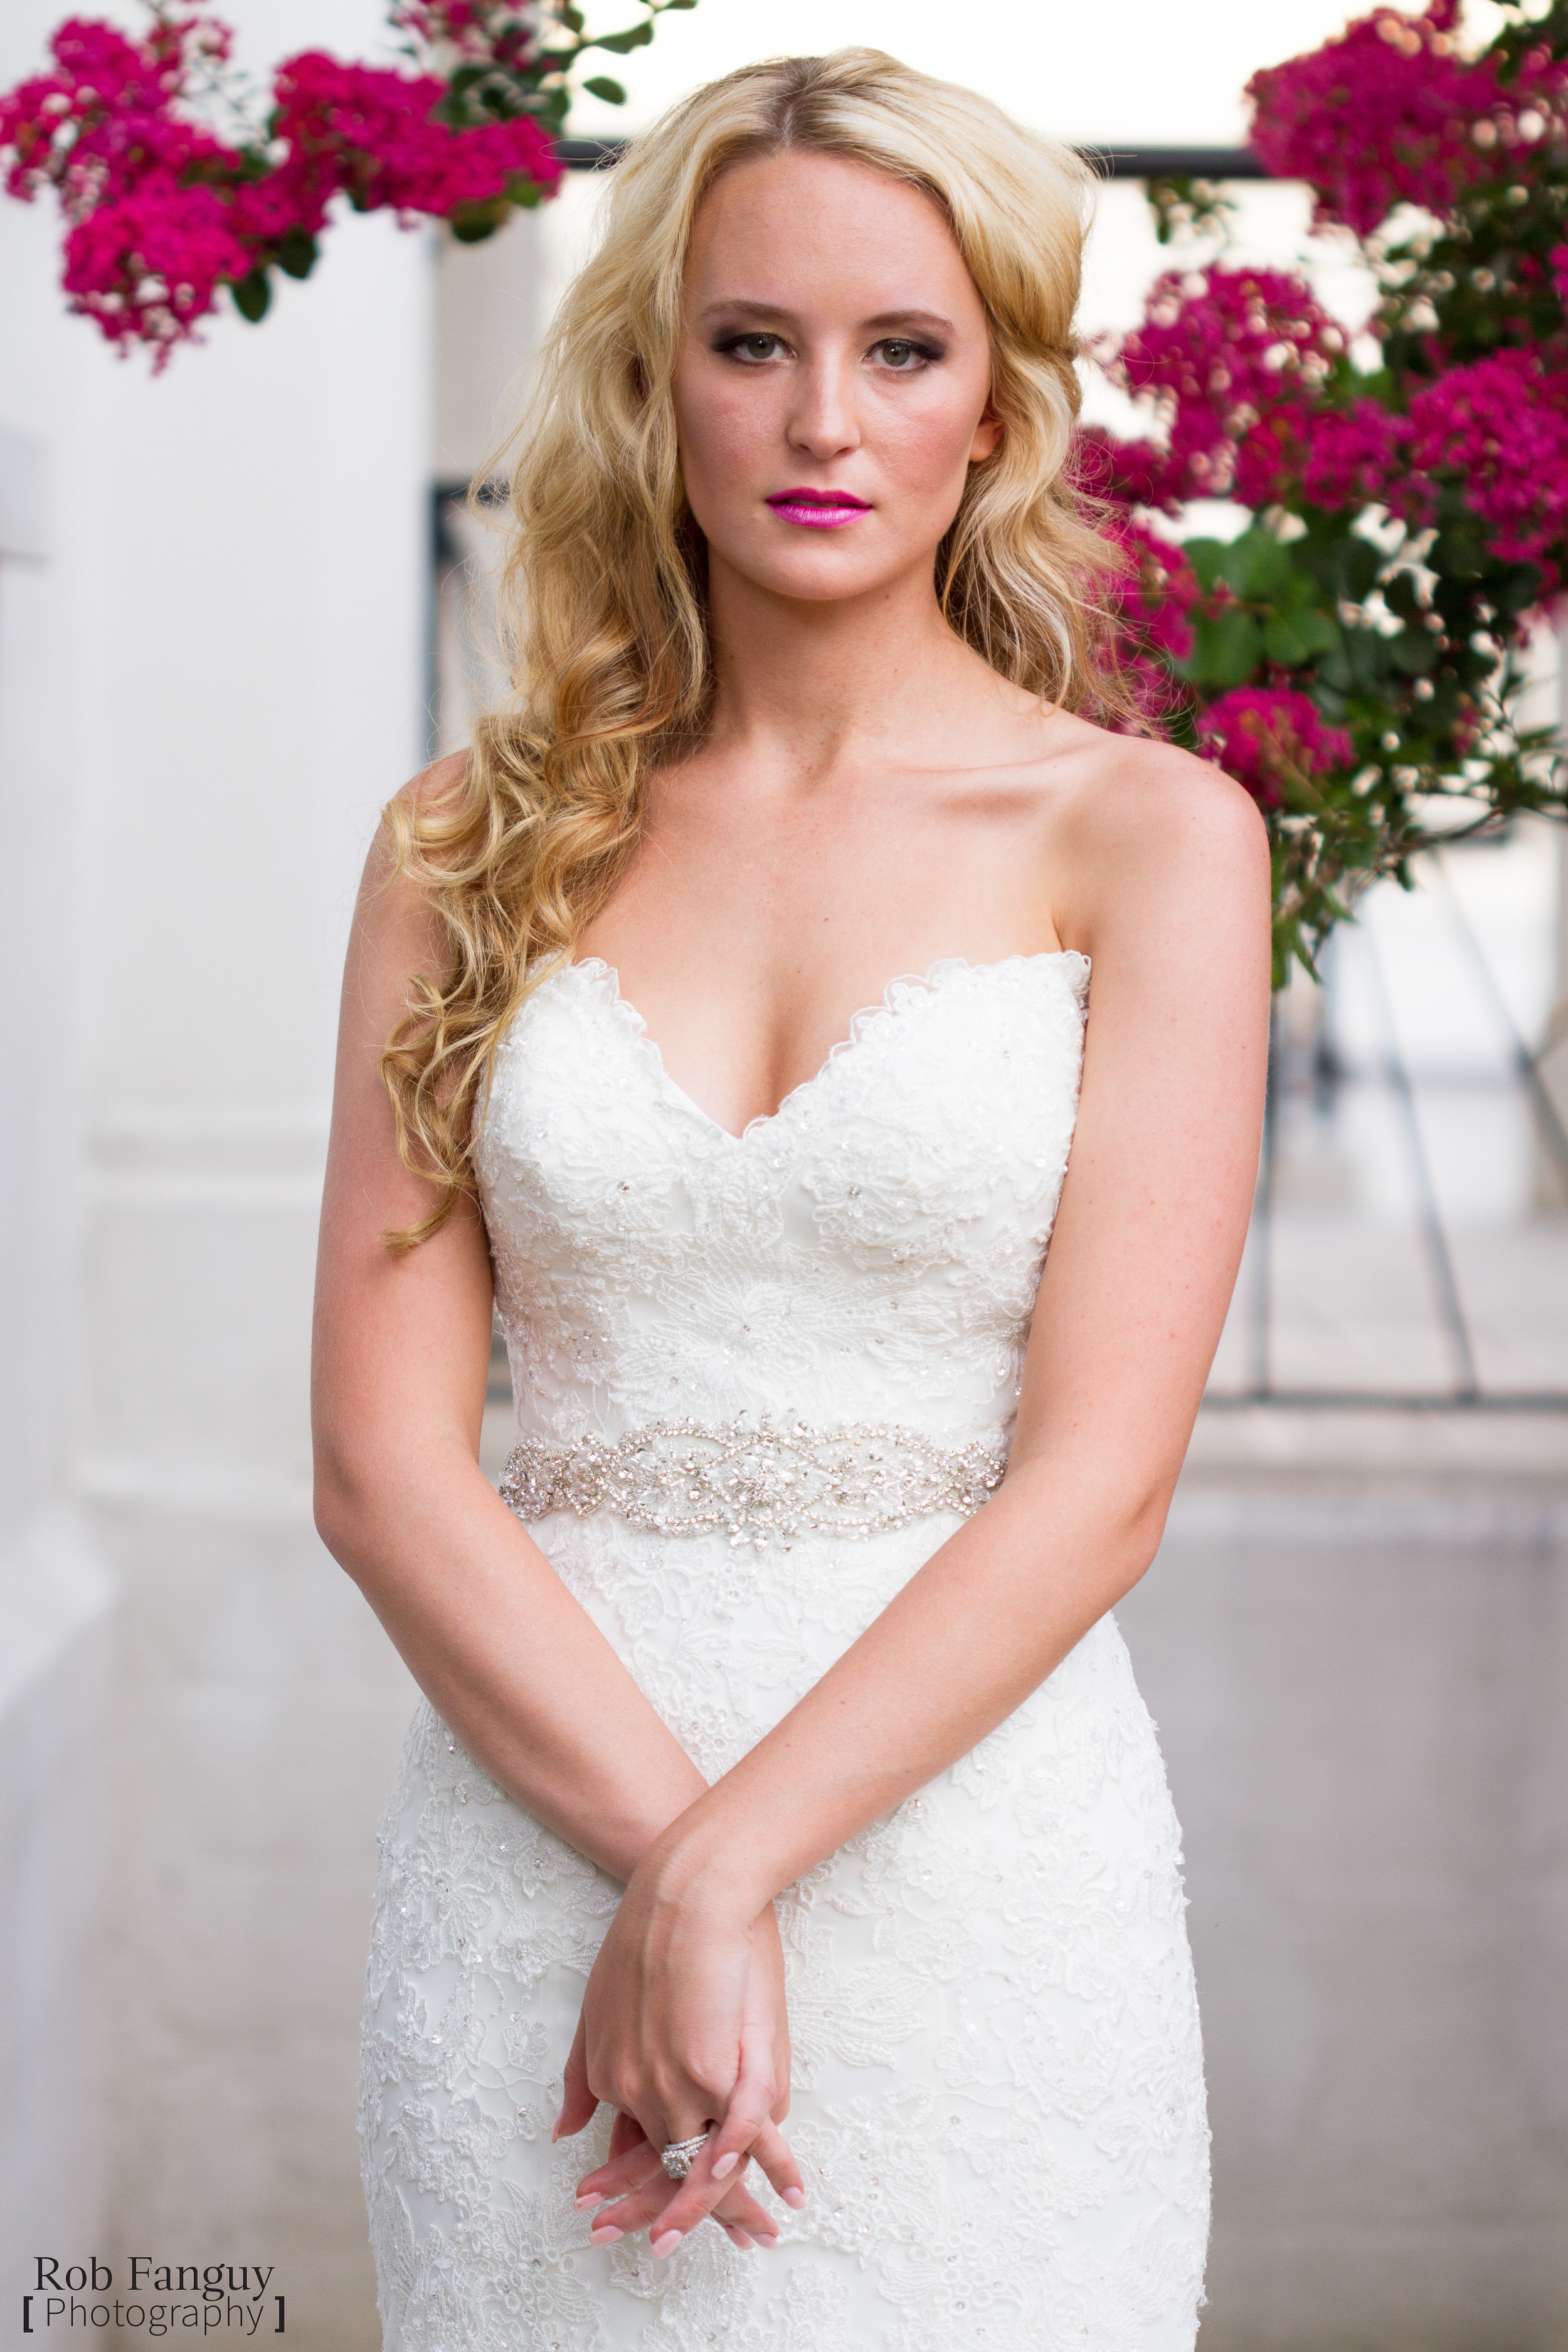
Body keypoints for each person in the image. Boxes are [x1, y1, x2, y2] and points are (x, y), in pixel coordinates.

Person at [312, 46, 1271, 2351]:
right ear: (658, 382)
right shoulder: (466, 840)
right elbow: (376, 1463)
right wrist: (657, 1868)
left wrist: (723, 1872)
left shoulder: (1147, 839)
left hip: (975, 1880)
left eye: (901, 350)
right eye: (754, 345)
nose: (823, 420)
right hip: (523, 1870)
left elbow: (1099, 1479)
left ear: (995, 403)